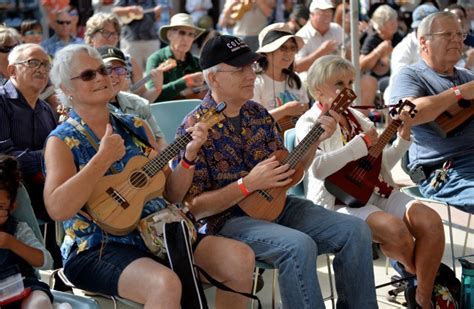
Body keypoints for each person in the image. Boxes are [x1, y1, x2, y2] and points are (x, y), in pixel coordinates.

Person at [43, 44, 255, 308]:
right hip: (97, 246)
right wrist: (101, 160)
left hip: (159, 234)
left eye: (102, 70)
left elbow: (173, 193)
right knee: (164, 284)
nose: (100, 78)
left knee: (240, 258)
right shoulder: (62, 141)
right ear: (65, 89)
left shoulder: (135, 127)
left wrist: (188, 157)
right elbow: (57, 208)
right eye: (88, 75)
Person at [173, 34, 377, 309]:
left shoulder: (258, 114)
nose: (250, 75)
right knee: (298, 246)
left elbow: (290, 171)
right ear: (213, 78)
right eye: (239, 69)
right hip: (225, 221)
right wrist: (247, 185)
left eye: (250, 67)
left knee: (356, 230)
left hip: (277, 205)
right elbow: (193, 207)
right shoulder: (194, 128)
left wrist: (315, 138)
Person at [296, 54, 445, 308]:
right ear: (318, 89)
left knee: (430, 221)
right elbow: (318, 169)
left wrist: (404, 136)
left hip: (374, 189)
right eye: (339, 84)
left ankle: (421, 296)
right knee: (395, 231)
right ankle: (426, 285)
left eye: (350, 83)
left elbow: (380, 163)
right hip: (336, 201)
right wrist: (358, 145)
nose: (347, 90)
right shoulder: (309, 122)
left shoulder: (357, 117)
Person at [390, 11, 474, 214]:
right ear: (423, 41)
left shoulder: (467, 76)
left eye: (460, 34)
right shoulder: (410, 76)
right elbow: (406, 115)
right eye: (447, 34)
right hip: (445, 171)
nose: (456, 40)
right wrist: (459, 92)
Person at [0, 44, 57, 223]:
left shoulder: (46, 109)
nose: (42, 69)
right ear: (12, 70)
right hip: (12, 191)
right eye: (33, 63)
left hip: (45, 189)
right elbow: (5, 157)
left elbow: (55, 148)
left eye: (46, 65)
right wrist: (52, 157)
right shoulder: (1, 102)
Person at [0, 155, 54, 309]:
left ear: (12, 207)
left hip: (23, 287)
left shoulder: (17, 229)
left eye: (0, 206)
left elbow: (46, 262)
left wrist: (11, 243)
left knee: (40, 302)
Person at [84, 12, 165, 103]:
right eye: (106, 33)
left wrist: (157, 89)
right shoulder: (83, 63)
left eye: (115, 33)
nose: (112, 37)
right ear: (91, 37)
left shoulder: (128, 61)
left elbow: (142, 99)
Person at [98, 45, 167, 150]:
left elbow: (159, 140)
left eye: (119, 70)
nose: (114, 75)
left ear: (126, 73)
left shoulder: (139, 103)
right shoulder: (89, 109)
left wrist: (161, 163)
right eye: (107, 69)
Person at [253, 23, 309, 132]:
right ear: (267, 52)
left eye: (293, 48)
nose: (289, 53)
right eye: (282, 48)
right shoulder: (256, 82)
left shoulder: (295, 80)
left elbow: (306, 115)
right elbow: (254, 122)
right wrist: (285, 110)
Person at [383, 3, 439, 105]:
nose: (424, 30)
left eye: (429, 27)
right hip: (404, 103)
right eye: (420, 26)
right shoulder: (403, 48)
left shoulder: (442, 42)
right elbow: (402, 83)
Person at [146, 13, 205, 102]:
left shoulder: (197, 62)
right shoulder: (156, 59)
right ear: (169, 35)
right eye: (182, 33)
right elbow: (152, 96)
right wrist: (185, 82)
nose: (186, 38)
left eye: (191, 34)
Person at [294, 0, 344, 79]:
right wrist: (321, 51)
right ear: (311, 15)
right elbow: (297, 67)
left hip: (336, 76)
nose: (327, 19)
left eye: (329, 14)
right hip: (312, 79)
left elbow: (349, 56)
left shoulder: (337, 29)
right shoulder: (301, 36)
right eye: (323, 15)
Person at [359, 4, 403, 93]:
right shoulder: (372, 40)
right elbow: (361, 66)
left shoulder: (399, 37)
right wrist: (378, 51)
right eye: (391, 22)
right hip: (377, 80)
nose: (395, 24)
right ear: (381, 25)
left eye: (395, 21)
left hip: (396, 75)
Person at [112, 0, 162, 70]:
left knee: (154, 71)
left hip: (151, 39)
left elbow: (157, 18)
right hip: (130, 40)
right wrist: (129, 9)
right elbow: (115, 10)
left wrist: (158, 13)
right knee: (132, 71)